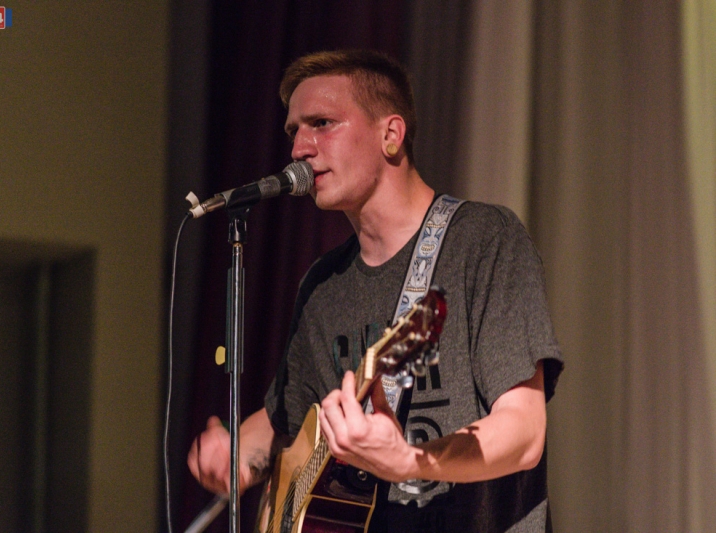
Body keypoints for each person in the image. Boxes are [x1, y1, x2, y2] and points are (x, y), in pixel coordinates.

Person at [188, 49, 563, 532]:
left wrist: (409, 460)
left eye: (322, 124)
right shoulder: (324, 285)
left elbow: (524, 432)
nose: (299, 148)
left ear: (391, 135)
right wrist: (237, 456)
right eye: (293, 131)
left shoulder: (483, 240)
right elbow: (288, 420)